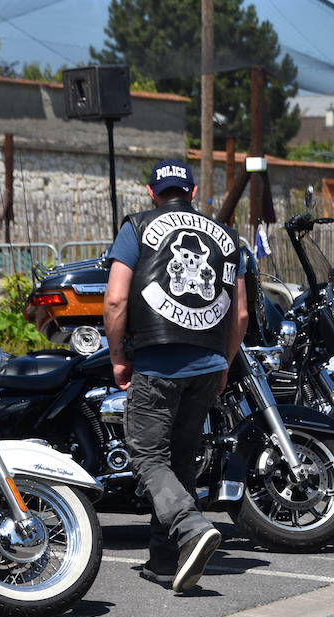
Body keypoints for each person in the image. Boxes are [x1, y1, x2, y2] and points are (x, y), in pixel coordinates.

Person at [105, 160, 248, 594]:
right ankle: (166, 561)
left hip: (156, 361)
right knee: (181, 460)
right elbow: (240, 313)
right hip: (207, 363)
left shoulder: (136, 227)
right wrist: (223, 362)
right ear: (192, 192)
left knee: (148, 456)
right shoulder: (227, 236)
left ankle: (189, 527)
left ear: (152, 192)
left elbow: (115, 300)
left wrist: (117, 356)